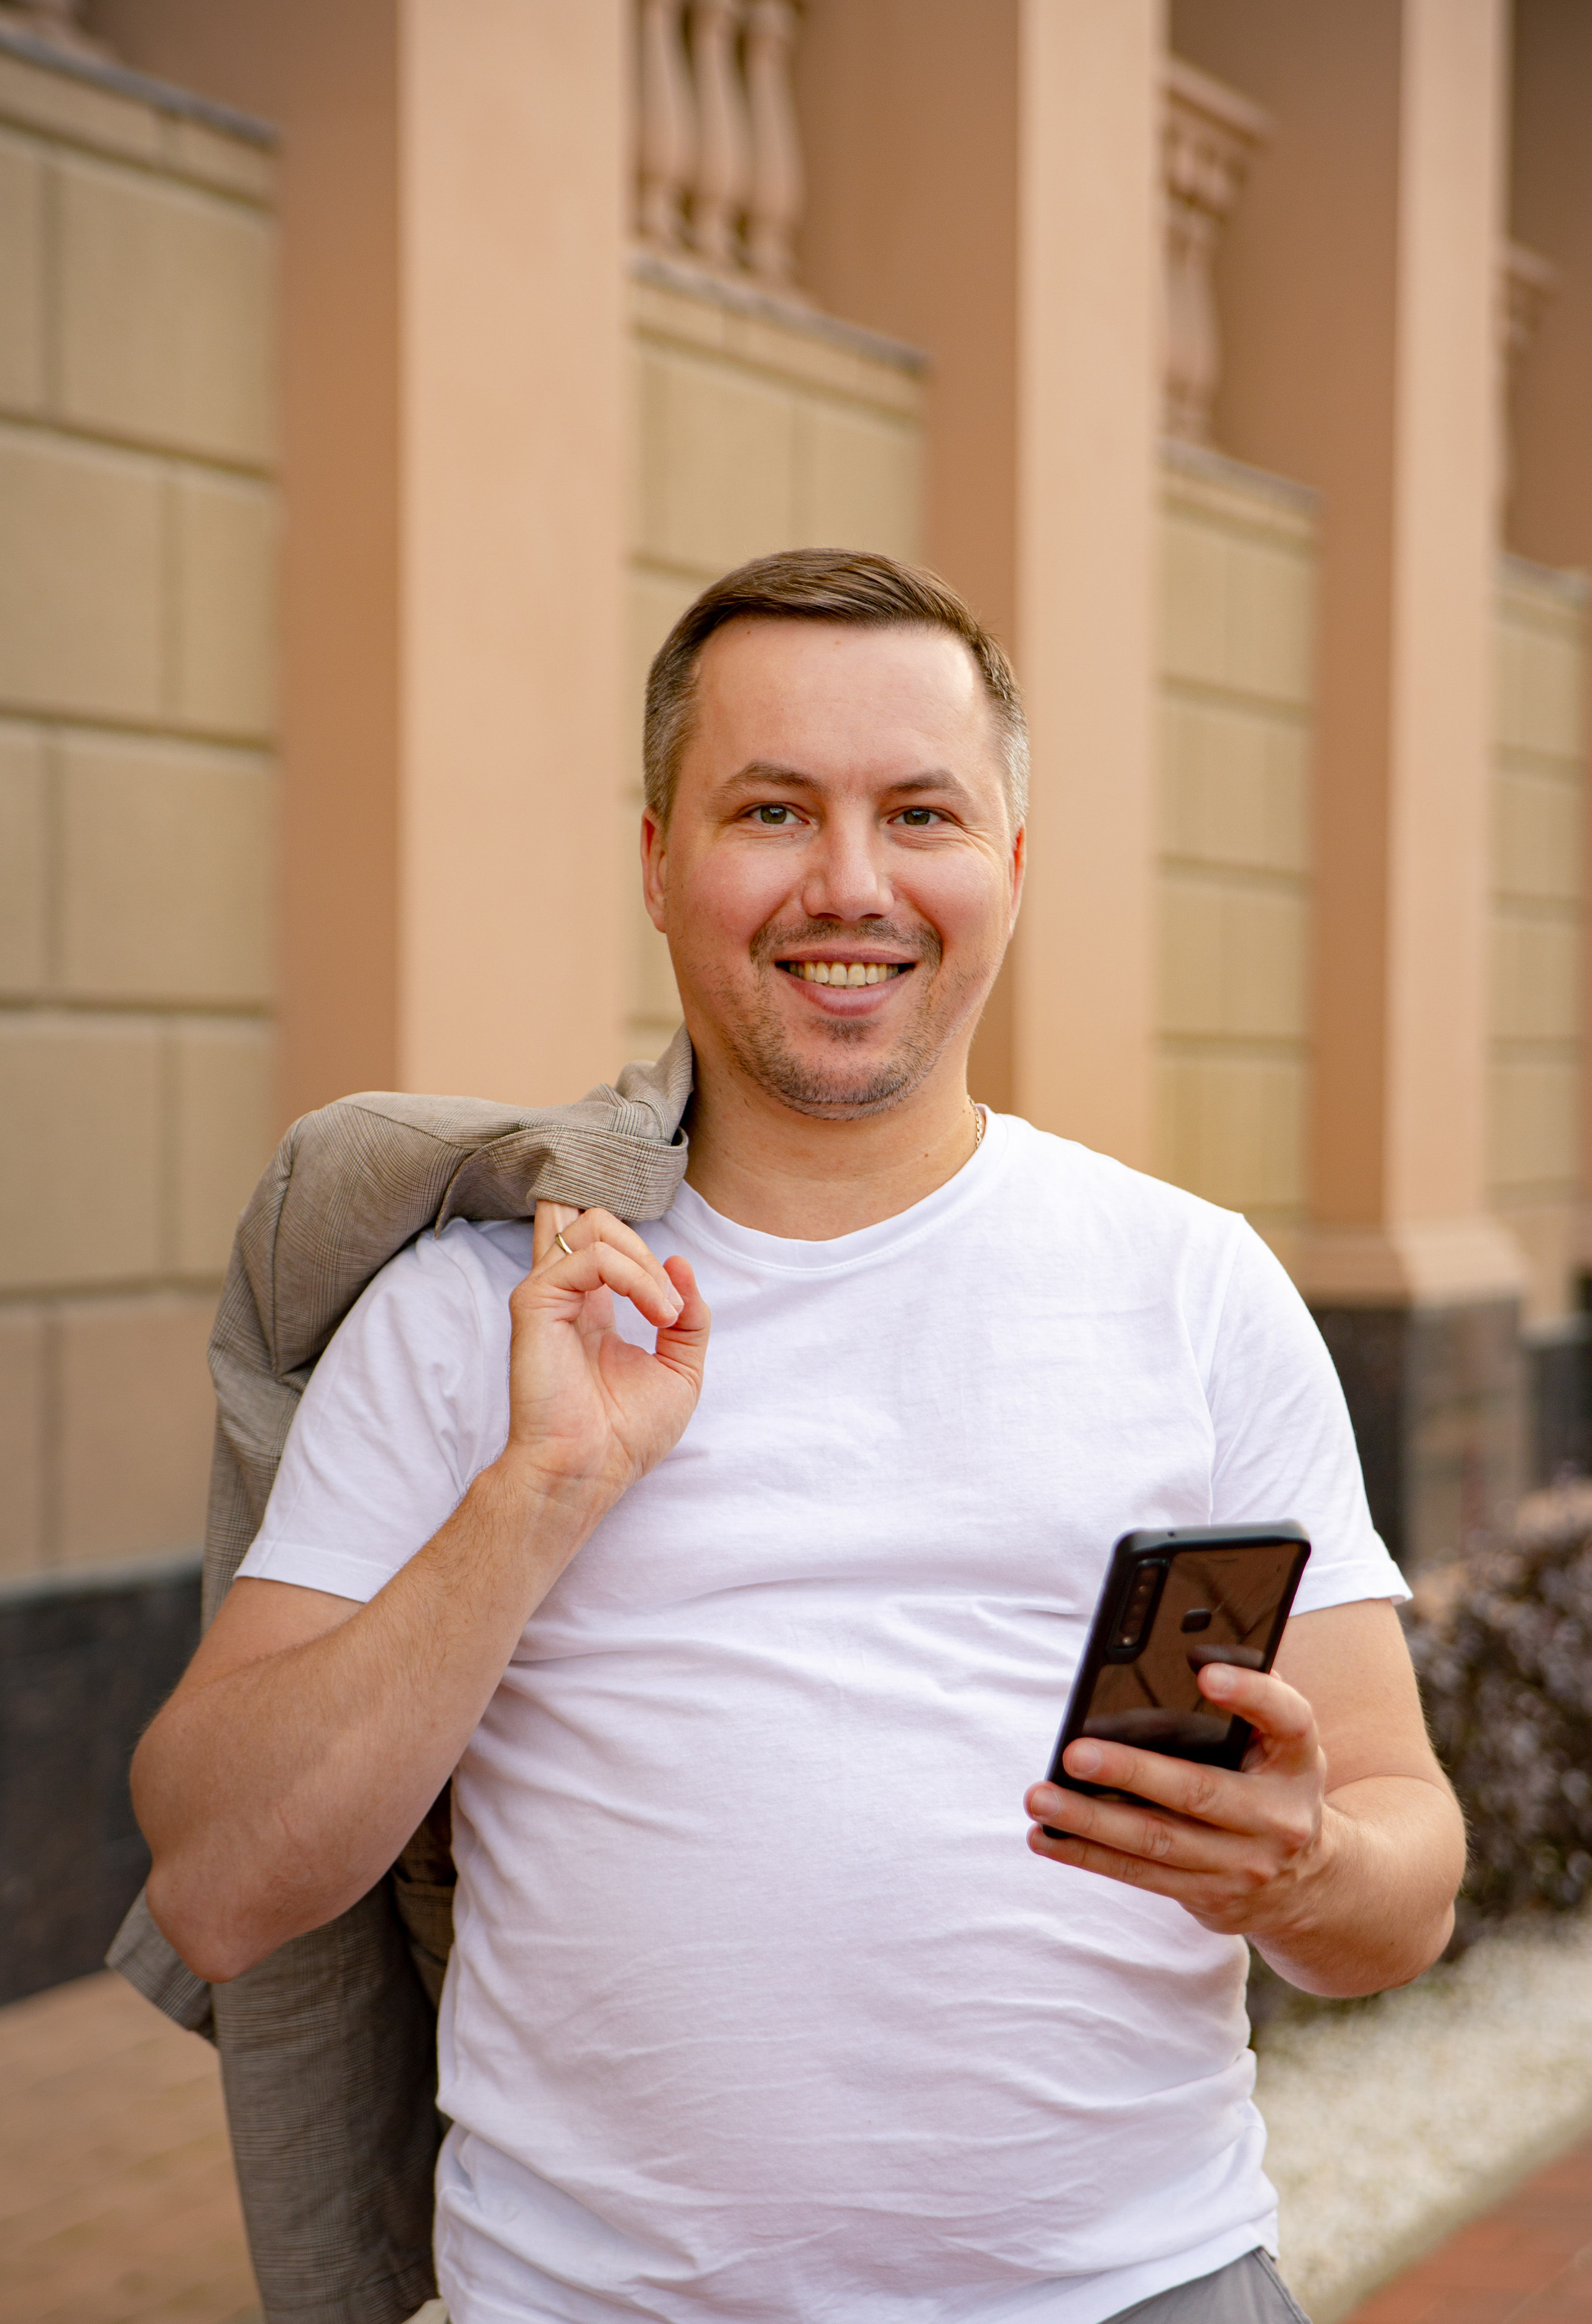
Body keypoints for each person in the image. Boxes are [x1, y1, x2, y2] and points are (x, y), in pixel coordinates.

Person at [133, 550, 1465, 2324]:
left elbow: (1407, 1880)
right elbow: (218, 1881)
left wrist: (1303, 1862)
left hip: (1143, 2291)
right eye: (774, 809)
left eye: (921, 811)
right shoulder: (476, 1308)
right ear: (659, 863)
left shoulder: (1194, 1287)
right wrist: (540, 1496)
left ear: (1009, 865)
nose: (851, 885)